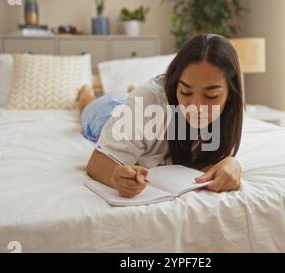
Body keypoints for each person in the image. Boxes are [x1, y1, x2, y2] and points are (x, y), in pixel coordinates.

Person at [78, 34, 244, 198]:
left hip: (138, 107)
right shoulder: (147, 102)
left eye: (211, 95)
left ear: (230, 93)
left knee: (137, 102)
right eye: (185, 92)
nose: (196, 108)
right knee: (92, 108)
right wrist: (116, 177)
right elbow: (96, 163)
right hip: (109, 110)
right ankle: (85, 93)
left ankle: (130, 91)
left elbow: (207, 162)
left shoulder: (229, 113)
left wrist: (232, 163)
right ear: (174, 83)